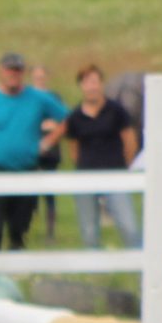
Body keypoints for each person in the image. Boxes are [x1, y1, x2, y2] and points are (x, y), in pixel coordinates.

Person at [0, 52, 67, 252]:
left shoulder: (38, 98)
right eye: (10, 70)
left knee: (20, 229)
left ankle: (16, 270)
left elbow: (67, 120)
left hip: (26, 172)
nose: (14, 74)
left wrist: (47, 142)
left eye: (18, 70)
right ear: (1, 71)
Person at [61, 64, 141, 250]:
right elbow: (74, 148)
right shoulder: (75, 116)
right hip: (86, 177)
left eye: (95, 82)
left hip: (115, 175)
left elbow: (130, 141)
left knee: (128, 225)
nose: (92, 87)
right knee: (88, 229)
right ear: (81, 86)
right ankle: (94, 271)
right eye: (87, 82)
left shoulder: (116, 110)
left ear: (101, 84)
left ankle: (139, 262)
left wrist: (124, 166)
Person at [29, 62, 65, 240]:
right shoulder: (27, 98)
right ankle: (27, 228)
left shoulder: (53, 97)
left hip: (51, 150)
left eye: (42, 77)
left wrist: (52, 126)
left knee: (49, 192)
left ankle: (50, 232)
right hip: (31, 149)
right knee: (29, 191)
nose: (39, 80)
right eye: (36, 77)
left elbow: (63, 121)